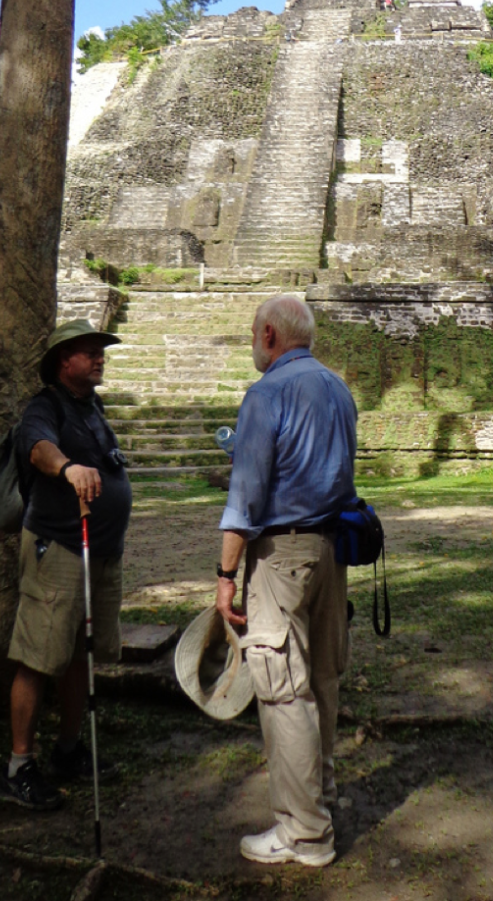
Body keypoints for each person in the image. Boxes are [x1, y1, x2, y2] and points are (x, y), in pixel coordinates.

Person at [215, 295, 358, 868]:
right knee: (322, 679)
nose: (254, 340)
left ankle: (303, 832)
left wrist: (226, 574)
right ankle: (316, 801)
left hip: (282, 555)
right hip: (330, 550)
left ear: (269, 334)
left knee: (283, 690)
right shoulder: (338, 389)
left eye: (254, 332)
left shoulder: (267, 392)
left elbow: (245, 498)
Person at [0, 319, 133, 811]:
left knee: (80, 650)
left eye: (101, 349)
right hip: (58, 549)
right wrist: (68, 468)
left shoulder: (92, 407)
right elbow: (36, 447)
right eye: (89, 350)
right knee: (38, 655)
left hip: (100, 551)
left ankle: (69, 748)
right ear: (63, 361)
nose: (100, 357)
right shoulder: (45, 406)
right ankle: (18, 766)